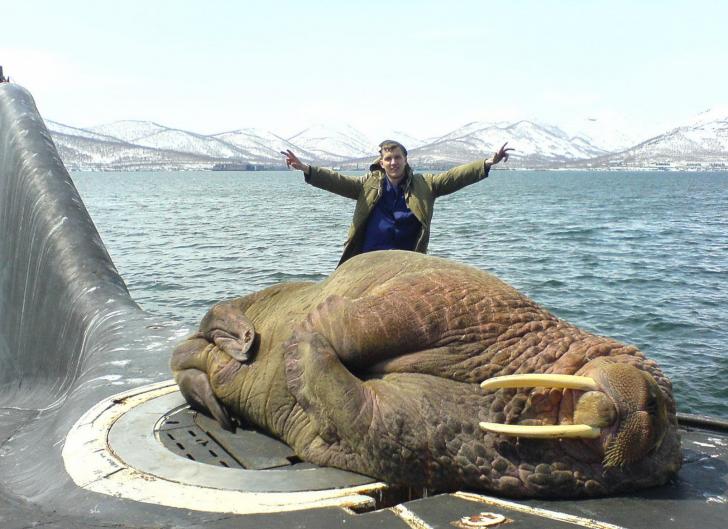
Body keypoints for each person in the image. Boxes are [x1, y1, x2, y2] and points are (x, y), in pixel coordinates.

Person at [282, 140, 513, 266]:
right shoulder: (367, 185)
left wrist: (487, 163)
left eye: (397, 158)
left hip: (407, 262)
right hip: (368, 260)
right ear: (381, 163)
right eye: (388, 159)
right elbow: (336, 180)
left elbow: (454, 176)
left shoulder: (426, 184)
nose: (393, 162)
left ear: (405, 160)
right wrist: (306, 169)